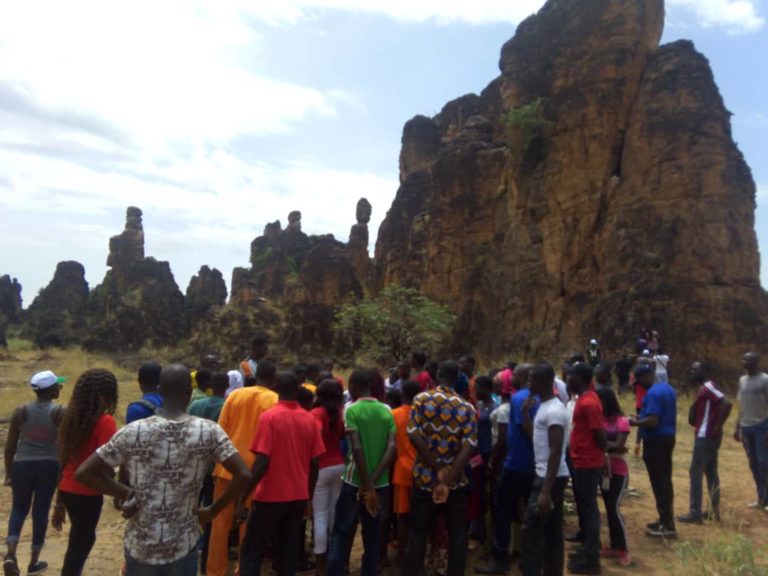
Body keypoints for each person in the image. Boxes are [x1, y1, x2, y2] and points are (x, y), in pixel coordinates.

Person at [75, 364, 250, 576]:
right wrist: (213, 509)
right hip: (182, 545)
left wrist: (125, 492)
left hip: (140, 544)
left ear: (159, 391)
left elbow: (84, 472)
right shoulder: (208, 431)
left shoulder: (134, 431)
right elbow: (243, 474)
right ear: (188, 392)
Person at [238, 371, 325, 576]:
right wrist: (308, 497)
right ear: (298, 389)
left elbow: (262, 462)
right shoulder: (309, 419)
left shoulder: (269, 417)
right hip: (297, 497)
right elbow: (315, 463)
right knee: (288, 553)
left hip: (269, 496)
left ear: (276, 389)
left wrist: (243, 496)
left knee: (252, 551)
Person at [404, 360, 477, 576]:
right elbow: (469, 447)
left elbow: (414, 434)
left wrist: (436, 468)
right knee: (457, 536)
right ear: (457, 379)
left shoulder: (421, 400)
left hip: (424, 480)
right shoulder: (466, 407)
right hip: (455, 484)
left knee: (417, 534)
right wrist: (447, 478)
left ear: (437, 376)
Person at [207, 360, 278, 576]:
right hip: (255, 471)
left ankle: (215, 571)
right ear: (273, 380)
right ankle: (242, 569)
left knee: (220, 520)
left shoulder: (235, 396)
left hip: (228, 466)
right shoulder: (274, 400)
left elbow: (220, 430)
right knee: (248, 520)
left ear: (256, 376)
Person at [327, 368, 396, 576]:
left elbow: (356, 448)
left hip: (354, 483)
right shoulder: (386, 410)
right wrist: (373, 482)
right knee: (373, 536)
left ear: (354, 386)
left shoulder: (350, 410)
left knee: (341, 533)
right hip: (381, 484)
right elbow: (392, 448)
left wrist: (366, 483)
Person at [53, 369, 119, 576]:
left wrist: (59, 501)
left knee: (78, 540)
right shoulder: (105, 421)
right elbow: (109, 462)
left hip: (68, 488)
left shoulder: (70, 418)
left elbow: (63, 461)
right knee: (81, 544)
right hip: (89, 491)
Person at [3, 371, 65, 576]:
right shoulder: (60, 412)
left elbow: (10, 446)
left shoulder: (20, 411)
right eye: (58, 386)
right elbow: (64, 446)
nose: (60, 388)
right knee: (40, 511)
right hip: (49, 465)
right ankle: (34, 562)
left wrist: (9, 473)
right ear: (50, 390)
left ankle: (11, 553)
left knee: (19, 509)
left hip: (22, 464)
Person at [478, 364, 534, 575]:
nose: (513, 377)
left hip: (514, 464)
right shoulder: (544, 399)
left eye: (517, 374)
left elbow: (506, 438)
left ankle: (500, 560)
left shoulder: (519, 399)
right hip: (534, 466)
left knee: (502, 512)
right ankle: (528, 560)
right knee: (528, 513)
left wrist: (494, 462)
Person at [521, 363, 570, 576]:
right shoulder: (543, 406)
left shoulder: (555, 411)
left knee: (530, 532)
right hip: (549, 476)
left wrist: (545, 491)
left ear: (542, 382)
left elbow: (555, 451)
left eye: (531, 379)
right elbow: (536, 438)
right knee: (552, 532)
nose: (528, 383)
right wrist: (525, 414)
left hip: (549, 479)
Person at [678, 362, 732, 524]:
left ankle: (695, 513)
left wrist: (717, 426)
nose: (692, 372)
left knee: (696, 472)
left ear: (704, 370)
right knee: (711, 473)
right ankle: (713, 511)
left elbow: (727, 403)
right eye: (691, 369)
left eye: (695, 369)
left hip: (706, 436)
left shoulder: (708, 386)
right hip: (707, 435)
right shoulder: (703, 389)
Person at [187, 371, 229, 573]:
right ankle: (206, 562)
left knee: (189, 509)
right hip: (216, 468)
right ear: (228, 385)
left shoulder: (196, 406)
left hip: (195, 466)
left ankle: (189, 550)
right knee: (211, 513)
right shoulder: (228, 406)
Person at [566, 363, 606, 575]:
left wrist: (600, 456)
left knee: (589, 509)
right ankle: (588, 548)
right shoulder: (583, 399)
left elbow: (599, 434)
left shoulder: (589, 402)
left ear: (579, 378)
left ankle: (591, 559)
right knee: (585, 506)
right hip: (582, 460)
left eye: (569, 377)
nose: (566, 380)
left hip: (588, 462)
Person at [629, 363, 677, 538]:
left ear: (647, 376)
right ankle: (665, 519)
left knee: (659, 482)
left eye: (640, 381)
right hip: (667, 437)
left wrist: (634, 423)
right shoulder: (667, 389)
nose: (639, 386)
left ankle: (667, 524)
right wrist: (640, 417)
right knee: (665, 480)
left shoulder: (653, 394)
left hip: (655, 439)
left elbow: (652, 421)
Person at [310, 379, 346, 576]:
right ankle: (334, 558)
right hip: (338, 464)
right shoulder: (338, 414)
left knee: (320, 516)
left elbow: (314, 436)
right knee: (333, 512)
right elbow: (342, 436)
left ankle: (320, 565)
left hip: (321, 467)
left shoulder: (316, 414)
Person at [596, 387, 631, 566]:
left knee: (614, 507)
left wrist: (602, 443)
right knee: (609, 508)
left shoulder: (622, 421)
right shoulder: (601, 420)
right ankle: (615, 545)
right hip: (604, 470)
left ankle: (624, 548)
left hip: (618, 470)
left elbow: (618, 445)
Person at [733, 352, 768, 510]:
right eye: (743, 358)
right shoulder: (742, 380)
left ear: (756, 362)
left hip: (761, 426)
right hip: (746, 427)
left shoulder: (765, 380)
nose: (744, 361)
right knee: (753, 463)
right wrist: (737, 426)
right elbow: (741, 404)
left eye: (747, 359)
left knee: (763, 463)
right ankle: (761, 498)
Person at [391, 380, 419, 571]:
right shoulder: (423, 413)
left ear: (401, 393)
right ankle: (417, 555)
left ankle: (401, 556)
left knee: (403, 517)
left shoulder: (394, 415)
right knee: (419, 517)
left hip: (401, 469)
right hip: (421, 469)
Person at [469, 376, 498, 546]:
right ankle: (478, 529)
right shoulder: (478, 406)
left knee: (490, 493)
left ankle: (490, 535)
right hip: (478, 454)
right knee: (477, 492)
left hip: (490, 453)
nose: (475, 391)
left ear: (487, 389)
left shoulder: (495, 408)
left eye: (478, 388)